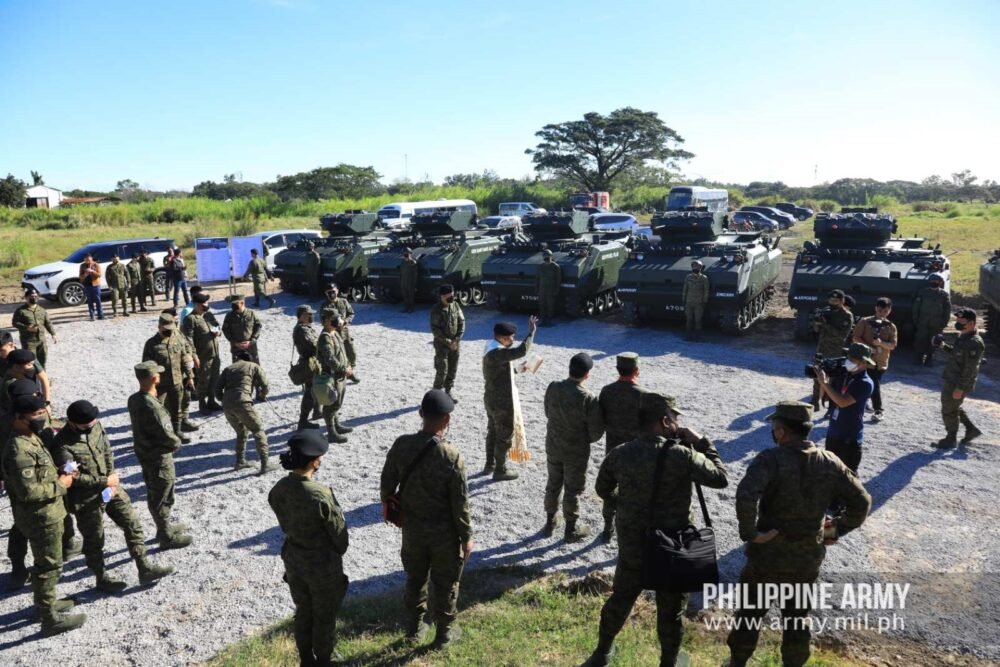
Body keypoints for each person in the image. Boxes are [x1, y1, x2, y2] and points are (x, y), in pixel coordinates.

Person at [586, 393, 728, 667]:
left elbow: (602, 488)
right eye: (675, 419)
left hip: (634, 542)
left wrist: (623, 505)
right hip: (672, 545)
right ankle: (668, 662)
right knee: (671, 610)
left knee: (622, 597)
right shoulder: (683, 455)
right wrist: (701, 442)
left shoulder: (621, 453)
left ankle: (602, 652)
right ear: (665, 420)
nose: (677, 424)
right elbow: (720, 478)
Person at [726, 401, 872, 667]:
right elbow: (862, 503)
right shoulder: (831, 461)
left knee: (750, 613)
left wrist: (751, 533)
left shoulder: (769, 460)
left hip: (767, 556)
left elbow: (746, 495)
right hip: (806, 558)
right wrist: (833, 529)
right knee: (796, 616)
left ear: (781, 431)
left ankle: (737, 662)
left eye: (774, 427)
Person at [379, 390, 472, 649]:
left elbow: (386, 488)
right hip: (444, 534)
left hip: (413, 530)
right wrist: (466, 537)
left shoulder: (401, 445)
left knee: (415, 578)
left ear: (421, 414)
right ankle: (444, 635)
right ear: (447, 420)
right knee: (445, 583)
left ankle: (414, 629)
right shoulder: (452, 456)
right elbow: (460, 504)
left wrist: (397, 507)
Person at [52, 400, 174, 592]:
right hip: (86, 500)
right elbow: (72, 477)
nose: (91, 426)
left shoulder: (96, 425)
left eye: (93, 422)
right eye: (86, 425)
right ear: (73, 423)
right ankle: (101, 578)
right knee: (94, 540)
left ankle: (144, 566)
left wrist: (112, 476)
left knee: (132, 523)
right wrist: (104, 481)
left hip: (111, 489)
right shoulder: (62, 445)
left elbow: (107, 450)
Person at [2, 394, 88, 636]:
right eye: (36, 415)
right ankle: (49, 619)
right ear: (19, 418)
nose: (42, 419)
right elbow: (28, 491)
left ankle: (45, 605)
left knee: (52, 563)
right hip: (41, 518)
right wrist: (61, 483)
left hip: (49, 512)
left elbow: (40, 472)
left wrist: (58, 470)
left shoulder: (30, 438)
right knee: (48, 566)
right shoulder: (19, 450)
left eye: (43, 414)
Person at [269, 429, 350, 666]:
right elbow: (340, 538)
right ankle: (324, 659)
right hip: (322, 564)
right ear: (315, 461)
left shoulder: (279, 489)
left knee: (303, 610)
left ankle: (306, 658)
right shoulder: (320, 494)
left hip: (294, 559)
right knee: (324, 616)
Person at [127, 361, 193, 549]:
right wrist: (176, 443)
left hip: (145, 452)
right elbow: (169, 437)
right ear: (155, 378)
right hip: (159, 456)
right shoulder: (153, 407)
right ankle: (166, 536)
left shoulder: (134, 399)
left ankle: (164, 528)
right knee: (163, 494)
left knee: (156, 490)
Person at [543, 352, 604, 541]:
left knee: (553, 483)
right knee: (573, 489)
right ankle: (570, 529)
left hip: (553, 445)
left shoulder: (553, 387)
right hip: (576, 452)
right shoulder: (588, 398)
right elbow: (596, 432)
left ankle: (550, 522)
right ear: (587, 374)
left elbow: (547, 412)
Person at [597, 353, 648, 541]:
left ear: (618, 369)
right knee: (635, 492)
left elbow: (600, 418)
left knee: (610, 489)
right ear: (637, 370)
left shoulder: (607, 391)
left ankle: (607, 528)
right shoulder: (645, 395)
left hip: (612, 449)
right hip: (637, 452)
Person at [482, 318, 537, 481]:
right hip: (502, 402)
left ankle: (489, 465)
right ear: (503, 338)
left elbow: (502, 371)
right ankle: (500, 469)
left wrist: (520, 369)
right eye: (511, 337)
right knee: (504, 435)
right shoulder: (497, 352)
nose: (513, 340)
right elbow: (521, 351)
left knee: (492, 431)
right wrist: (531, 333)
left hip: (491, 398)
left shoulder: (490, 347)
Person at [813, 343, 875, 475]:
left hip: (849, 438)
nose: (848, 361)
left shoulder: (865, 383)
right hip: (833, 434)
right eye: (848, 357)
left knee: (847, 478)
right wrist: (824, 381)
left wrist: (824, 383)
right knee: (829, 473)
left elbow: (842, 402)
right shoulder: (843, 376)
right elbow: (824, 398)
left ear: (864, 362)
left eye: (852, 359)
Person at [933, 308, 986, 448]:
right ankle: (971, 430)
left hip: (959, 382)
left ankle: (950, 439)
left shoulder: (974, 343)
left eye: (961, 321)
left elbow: (970, 369)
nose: (958, 323)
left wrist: (960, 388)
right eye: (958, 320)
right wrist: (943, 346)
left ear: (971, 323)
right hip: (952, 378)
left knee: (948, 409)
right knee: (953, 406)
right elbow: (957, 355)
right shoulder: (963, 336)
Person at [143, 313, 197, 443]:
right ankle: (160, 434)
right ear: (159, 327)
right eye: (166, 329)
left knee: (177, 408)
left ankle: (177, 432)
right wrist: (150, 386)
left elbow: (185, 358)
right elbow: (147, 367)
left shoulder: (177, 338)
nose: (169, 331)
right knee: (158, 411)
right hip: (160, 385)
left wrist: (190, 376)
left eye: (171, 328)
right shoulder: (151, 344)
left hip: (177, 381)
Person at [216, 349, 271, 474]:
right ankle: (265, 464)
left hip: (227, 404)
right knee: (258, 429)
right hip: (243, 402)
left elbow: (217, 390)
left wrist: (226, 401)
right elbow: (266, 385)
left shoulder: (228, 368)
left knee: (241, 431)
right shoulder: (253, 366)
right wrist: (262, 395)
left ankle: (240, 461)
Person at [851, 297, 898, 421]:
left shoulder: (891, 326)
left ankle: (863, 402)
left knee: (871, 384)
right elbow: (856, 337)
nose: (883, 313)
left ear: (890, 310)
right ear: (876, 308)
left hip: (881, 362)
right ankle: (878, 410)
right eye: (881, 310)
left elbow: (893, 345)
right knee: (874, 385)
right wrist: (869, 347)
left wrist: (881, 343)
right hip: (865, 360)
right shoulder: (865, 322)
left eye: (886, 311)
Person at [809, 289, 854, 413]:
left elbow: (841, 335)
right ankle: (814, 402)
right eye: (831, 300)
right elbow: (817, 331)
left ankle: (832, 406)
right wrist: (817, 323)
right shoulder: (826, 311)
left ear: (842, 301)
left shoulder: (846, 315)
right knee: (817, 376)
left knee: (834, 380)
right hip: (821, 348)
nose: (833, 302)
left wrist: (826, 324)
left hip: (835, 351)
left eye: (836, 300)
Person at [182, 292, 222, 414]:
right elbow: (188, 339)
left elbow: (218, 328)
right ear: (198, 305)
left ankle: (211, 400)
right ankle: (202, 403)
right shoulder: (190, 319)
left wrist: (218, 332)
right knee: (203, 380)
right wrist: (194, 356)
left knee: (214, 378)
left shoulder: (208, 315)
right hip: (202, 355)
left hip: (214, 354)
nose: (207, 305)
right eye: (204, 303)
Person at [317, 313, 354, 444]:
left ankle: (336, 424)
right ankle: (331, 432)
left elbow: (342, 352)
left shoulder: (335, 333)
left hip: (340, 374)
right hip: (332, 375)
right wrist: (343, 369)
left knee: (338, 401)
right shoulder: (325, 337)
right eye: (334, 319)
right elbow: (329, 358)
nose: (338, 321)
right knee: (331, 404)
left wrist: (348, 366)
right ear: (326, 320)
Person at [430, 284, 464, 401]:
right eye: (449, 296)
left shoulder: (455, 305)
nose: (451, 298)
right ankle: (435, 396)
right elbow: (435, 330)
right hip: (441, 345)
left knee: (452, 369)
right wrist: (449, 342)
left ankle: (448, 392)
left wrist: (457, 338)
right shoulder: (436, 309)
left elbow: (461, 322)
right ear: (442, 296)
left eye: (452, 295)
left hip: (455, 344)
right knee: (442, 370)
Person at [321, 283, 360, 383]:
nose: (332, 294)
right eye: (329, 292)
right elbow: (322, 321)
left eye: (333, 291)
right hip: (333, 333)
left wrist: (345, 321)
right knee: (337, 356)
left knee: (351, 353)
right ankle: (340, 374)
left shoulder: (343, 301)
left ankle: (350, 372)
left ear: (337, 291)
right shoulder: (324, 306)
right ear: (326, 293)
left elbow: (351, 313)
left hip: (345, 332)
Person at [912, 273, 951, 366]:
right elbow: (916, 308)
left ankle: (929, 358)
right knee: (920, 340)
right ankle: (919, 358)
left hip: (936, 323)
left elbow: (947, 311)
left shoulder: (944, 295)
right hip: (923, 321)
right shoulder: (923, 293)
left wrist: (944, 323)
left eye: (937, 281)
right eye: (933, 281)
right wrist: (916, 320)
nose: (934, 283)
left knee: (933, 341)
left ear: (940, 283)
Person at [12, 287, 57, 369]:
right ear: (26, 298)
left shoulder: (41, 310)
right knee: (30, 362)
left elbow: (48, 323)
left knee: (43, 360)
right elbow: (15, 323)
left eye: (36, 296)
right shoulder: (21, 311)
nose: (34, 298)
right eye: (32, 296)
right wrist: (26, 328)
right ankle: (32, 380)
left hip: (41, 340)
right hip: (28, 341)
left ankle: (43, 379)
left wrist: (53, 334)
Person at [293, 304, 322, 429]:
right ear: (303, 315)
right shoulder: (302, 329)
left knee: (315, 389)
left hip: (312, 361)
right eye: (309, 314)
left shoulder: (306, 327)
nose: (312, 316)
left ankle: (317, 411)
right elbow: (314, 345)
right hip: (308, 363)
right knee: (310, 392)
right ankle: (303, 420)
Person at [222, 293, 262, 364]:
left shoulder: (251, 314)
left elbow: (258, 327)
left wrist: (252, 340)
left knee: (254, 368)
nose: (233, 306)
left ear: (242, 303)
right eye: (232, 303)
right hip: (237, 348)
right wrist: (234, 342)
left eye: (235, 303)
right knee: (238, 370)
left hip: (251, 348)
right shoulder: (229, 316)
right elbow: (225, 330)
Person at [682, 259, 710, 340]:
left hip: (699, 303)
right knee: (689, 320)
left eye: (697, 266)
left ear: (700, 268)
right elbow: (685, 289)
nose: (695, 268)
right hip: (689, 302)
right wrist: (683, 299)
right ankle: (689, 336)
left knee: (698, 320)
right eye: (694, 266)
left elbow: (706, 290)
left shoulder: (704, 278)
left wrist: (705, 301)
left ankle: (698, 336)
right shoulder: (688, 277)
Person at [536, 248, 561, 326]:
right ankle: (543, 320)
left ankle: (549, 320)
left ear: (551, 256)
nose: (546, 258)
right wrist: (536, 288)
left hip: (551, 289)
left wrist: (557, 290)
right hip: (542, 289)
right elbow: (537, 278)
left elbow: (558, 279)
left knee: (550, 305)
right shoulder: (541, 266)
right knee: (542, 305)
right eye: (545, 256)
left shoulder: (555, 266)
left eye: (548, 256)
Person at [79, 253, 104, 321]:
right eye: (85, 259)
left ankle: (100, 315)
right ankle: (92, 316)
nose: (87, 260)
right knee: (90, 301)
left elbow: (99, 275)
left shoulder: (96, 265)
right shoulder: (82, 266)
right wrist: (85, 274)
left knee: (98, 300)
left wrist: (92, 271)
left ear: (91, 258)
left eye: (88, 259)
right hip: (87, 286)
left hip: (95, 285)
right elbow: (80, 277)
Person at [106, 252, 131, 318]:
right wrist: (109, 286)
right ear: (112, 259)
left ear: (119, 258)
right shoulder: (109, 267)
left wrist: (129, 283)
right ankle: (115, 312)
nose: (115, 259)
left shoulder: (123, 266)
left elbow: (127, 275)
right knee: (115, 299)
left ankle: (125, 311)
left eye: (116, 258)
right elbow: (107, 277)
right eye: (114, 258)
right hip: (114, 285)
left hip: (123, 284)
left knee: (124, 298)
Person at [399, 248, 419, 313]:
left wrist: (415, 284)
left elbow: (415, 275)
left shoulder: (413, 263)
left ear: (410, 254)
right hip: (404, 281)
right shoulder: (403, 263)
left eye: (407, 254)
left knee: (411, 296)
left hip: (410, 282)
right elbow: (401, 272)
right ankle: (406, 307)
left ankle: (411, 308)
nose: (405, 256)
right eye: (404, 255)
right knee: (405, 295)